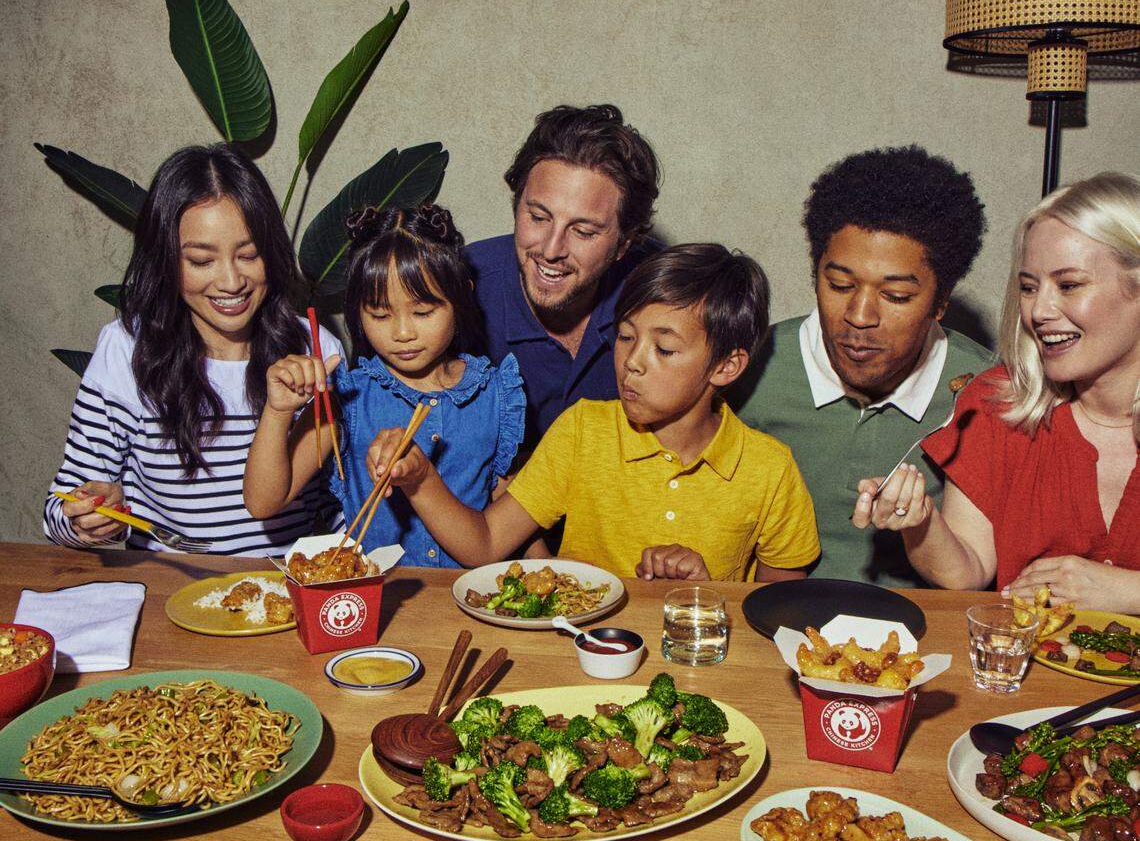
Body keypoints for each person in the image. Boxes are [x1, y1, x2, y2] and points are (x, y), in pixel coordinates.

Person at [365, 243, 820, 582]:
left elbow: (774, 619)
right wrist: (421, 479)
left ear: (726, 365)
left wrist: (703, 597)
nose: (633, 361)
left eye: (664, 348)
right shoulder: (583, 430)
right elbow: (484, 545)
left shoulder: (769, 469)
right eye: (625, 337)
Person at [855, 172, 1140, 607]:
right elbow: (967, 571)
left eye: (1069, 285)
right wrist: (919, 523)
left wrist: (1124, 591)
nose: (1039, 311)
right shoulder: (996, 402)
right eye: (1029, 287)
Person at [44, 144, 338, 555]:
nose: (231, 281)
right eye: (202, 261)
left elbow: (337, 496)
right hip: (172, 591)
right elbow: (59, 508)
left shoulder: (315, 348)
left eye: (249, 254)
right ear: (165, 260)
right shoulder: (126, 348)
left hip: (288, 586)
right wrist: (89, 519)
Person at [737, 145, 989, 585]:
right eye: (839, 284)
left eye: (895, 296)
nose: (859, 315)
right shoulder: (748, 366)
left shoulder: (984, 390)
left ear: (941, 301)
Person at [244, 205, 525, 567]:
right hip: (375, 600)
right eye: (379, 314)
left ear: (461, 297)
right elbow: (264, 502)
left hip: (467, 598)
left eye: (423, 312)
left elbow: (509, 510)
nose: (403, 333)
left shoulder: (495, 394)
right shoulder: (348, 398)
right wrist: (278, 411)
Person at [466, 103, 661, 446]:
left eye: (583, 232)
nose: (551, 249)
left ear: (623, 244)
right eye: (538, 218)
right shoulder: (455, 288)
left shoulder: (664, 293)